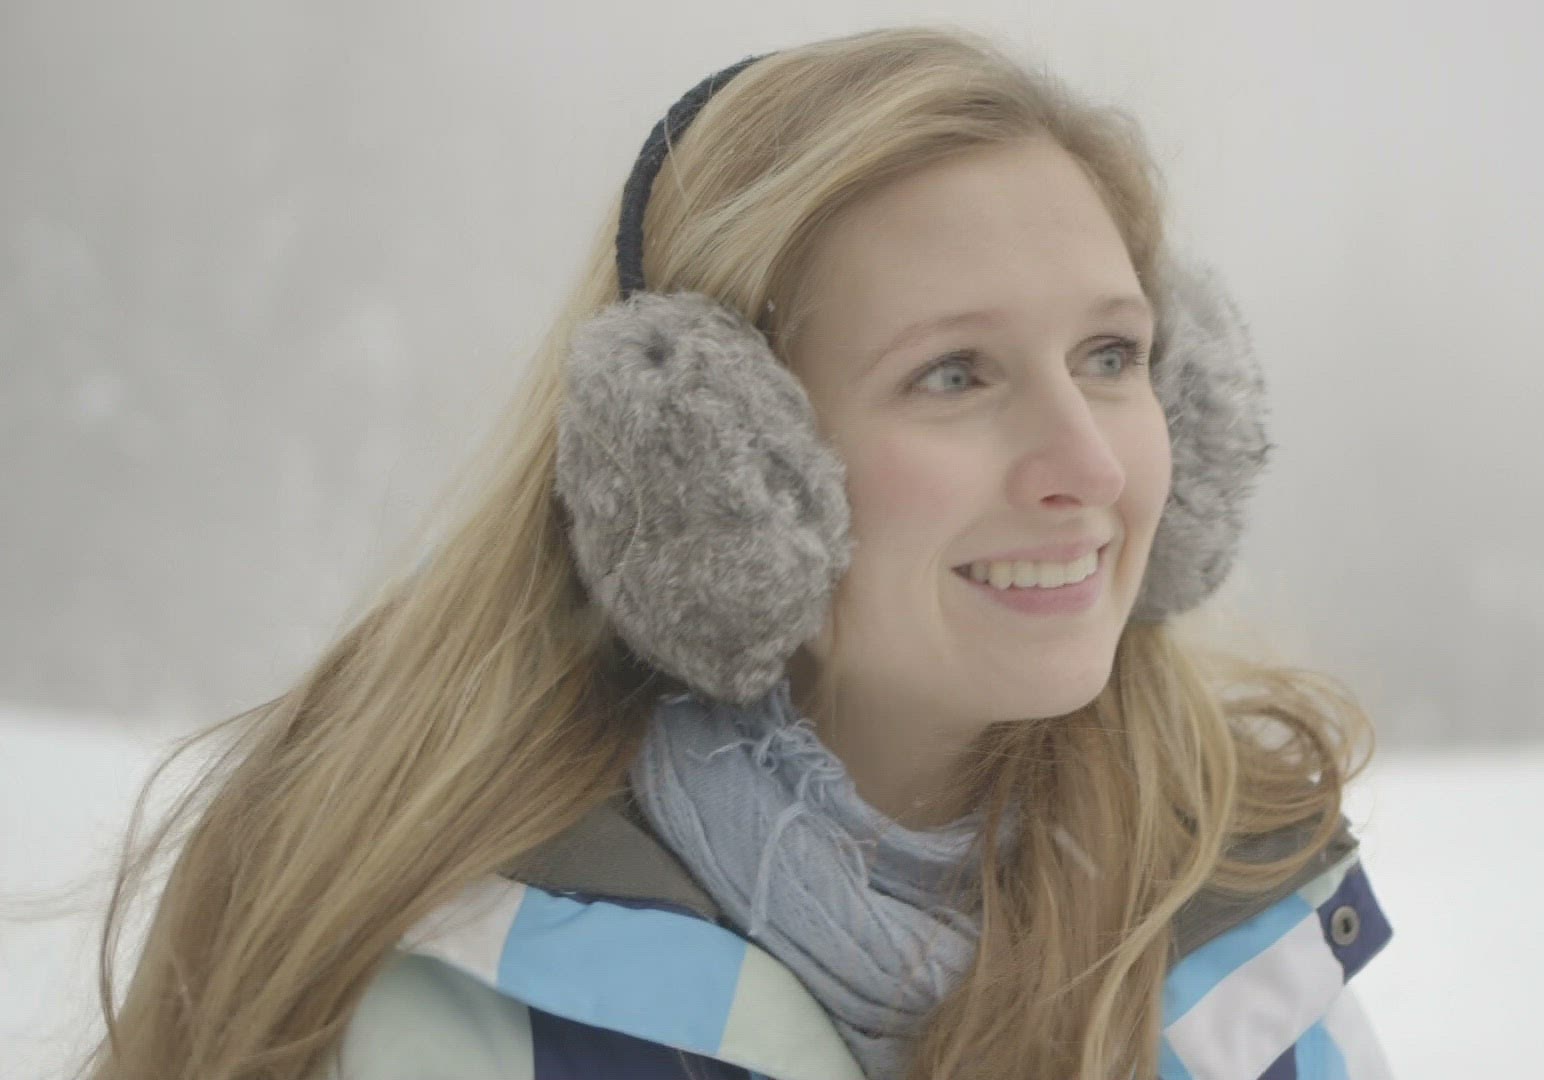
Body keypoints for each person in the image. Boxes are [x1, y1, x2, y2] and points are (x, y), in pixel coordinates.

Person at [80, 24, 1392, 1080]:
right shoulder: (466, 1006)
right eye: (955, 373)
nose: (1091, 466)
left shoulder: (1248, 953)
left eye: (1111, 354)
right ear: (710, 461)